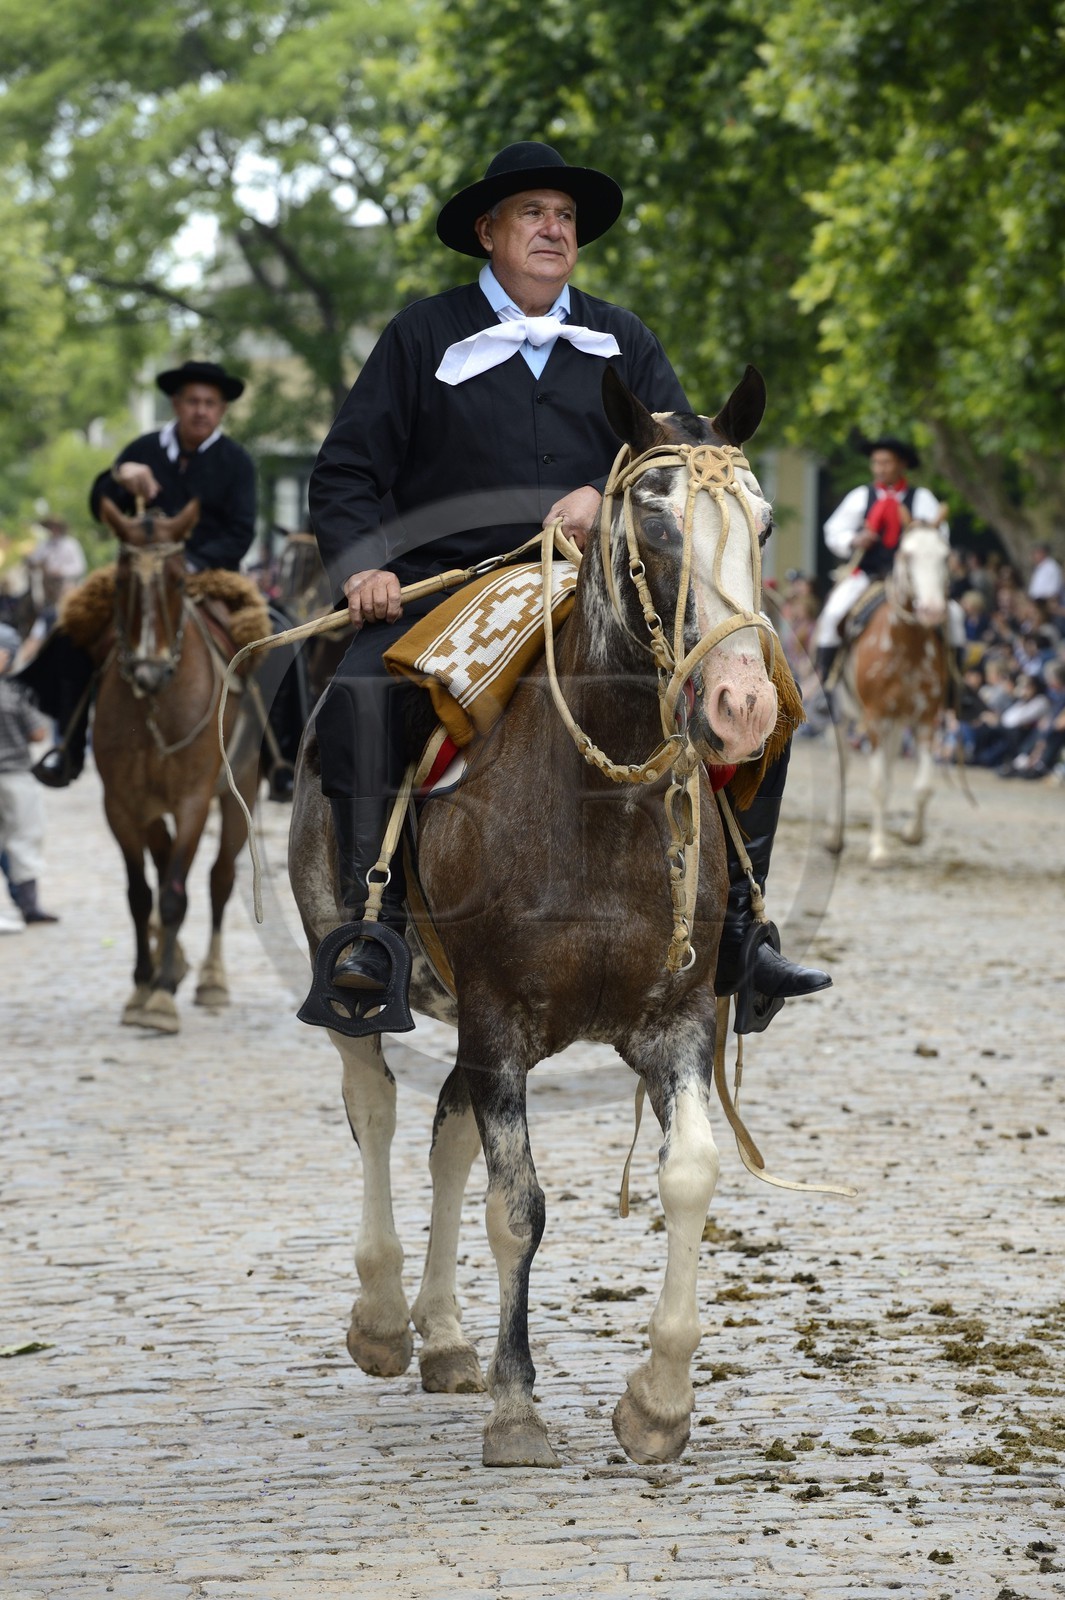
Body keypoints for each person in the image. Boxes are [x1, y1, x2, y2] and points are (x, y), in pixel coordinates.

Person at [307, 140, 830, 1027]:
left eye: (564, 218)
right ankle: (373, 934)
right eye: (532, 214)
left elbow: (682, 455)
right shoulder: (420, 335)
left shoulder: (621, 335)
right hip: (453, 586)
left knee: (759, 695)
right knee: (361, 690)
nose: (553, 230)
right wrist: (365, 566)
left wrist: (603, 488)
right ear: (487, 232)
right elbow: (347, 470)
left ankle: (743, 927)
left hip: (603, 590)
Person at [20, 360, 300, 797]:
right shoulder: (144, 448)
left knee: (282, 638)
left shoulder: (237, 462)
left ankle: (282, 758)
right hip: (140, 574)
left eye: (210, 403)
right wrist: (118, 475)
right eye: (193, 401)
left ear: (222, 409)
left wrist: (188, 566)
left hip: (210, 576)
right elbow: (102, 506)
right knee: (73, 630)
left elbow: (240, 532)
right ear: (176, 404)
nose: (201, 410)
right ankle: (69, 749)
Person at [813, 436, 960, 685]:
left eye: (886, 462)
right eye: (875, 462)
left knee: (956, 616)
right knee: (832, 615)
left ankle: (957, 687)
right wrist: (855, 539)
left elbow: (940, 536)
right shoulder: (861, 496)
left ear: (901, 464)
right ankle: (826, 684)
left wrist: (921, 532)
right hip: (868, 576)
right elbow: (833, 531)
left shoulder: (921, 498)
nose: (879, 468)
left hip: (912, 582)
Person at [0, 623, 59, 927]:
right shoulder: (14, 692)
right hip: (15, 776)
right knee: (24, 840)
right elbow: (38, 733)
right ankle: (28, 905)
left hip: (15, 776)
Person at [25, 517, 87, 615]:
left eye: (55, 527)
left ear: (60, 528)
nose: (52, 530)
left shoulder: (71, 544)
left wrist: (60, 572)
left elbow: (80, 566)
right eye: (50, 527)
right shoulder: (44, 545)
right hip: (47, 588)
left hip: (66, 584)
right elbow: (34, 560)